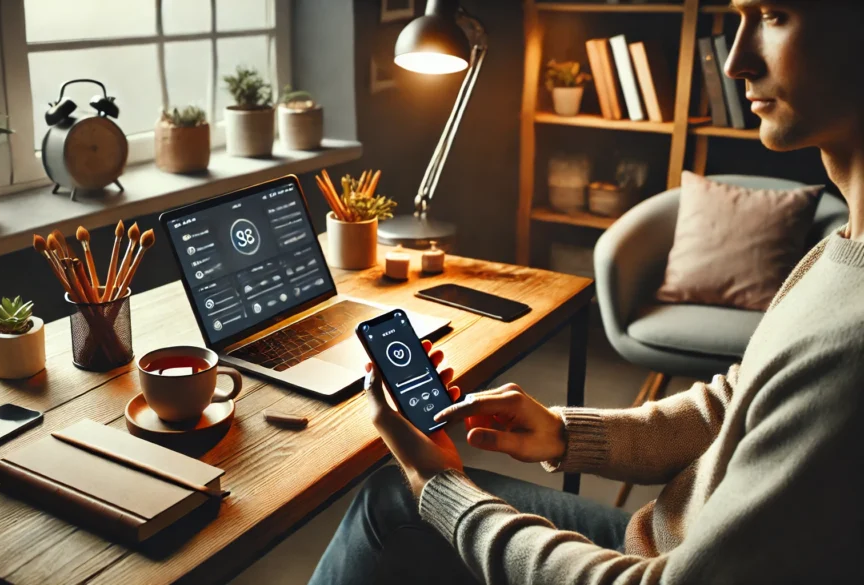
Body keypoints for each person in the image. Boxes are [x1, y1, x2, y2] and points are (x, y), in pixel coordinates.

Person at [309, 2, 864, 583]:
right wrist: (563, 431)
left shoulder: (849, 350)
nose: (734, 62)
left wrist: (442, 489)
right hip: (661, 535)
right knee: (393, 500)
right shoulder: (837, 248)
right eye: (739, 18)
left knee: (394, 502)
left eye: (774, 15)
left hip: (652, 565)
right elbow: (737, 404)